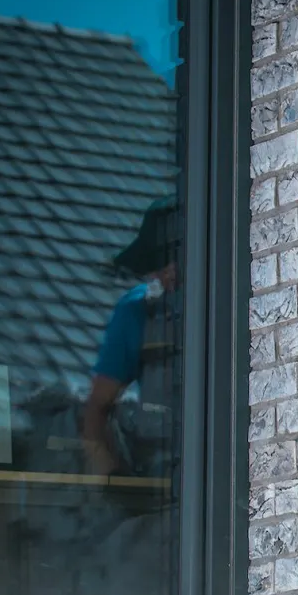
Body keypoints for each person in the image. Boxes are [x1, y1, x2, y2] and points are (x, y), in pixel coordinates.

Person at [83, 197, 177, 477]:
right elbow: (95, 413)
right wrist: (115, 482)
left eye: (173, 260)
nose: (167, 274)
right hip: (162, 486)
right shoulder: (137, 312)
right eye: (158, 264)